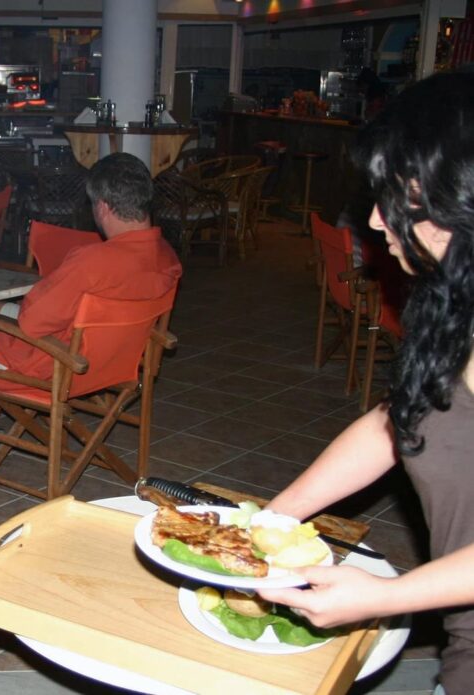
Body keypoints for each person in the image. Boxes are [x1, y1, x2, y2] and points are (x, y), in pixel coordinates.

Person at [257, 72, 474, 695]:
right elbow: (394, 424)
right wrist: (270, 522)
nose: (375, 220)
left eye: (397, 196)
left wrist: (388, 594)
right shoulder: (450, 301)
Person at [0, 153, 182, 473]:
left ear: (102, 206)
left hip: (55, 368)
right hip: (108, 362)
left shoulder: (94, 261)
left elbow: (31, 322)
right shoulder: (167, 258)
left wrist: (37, 299)